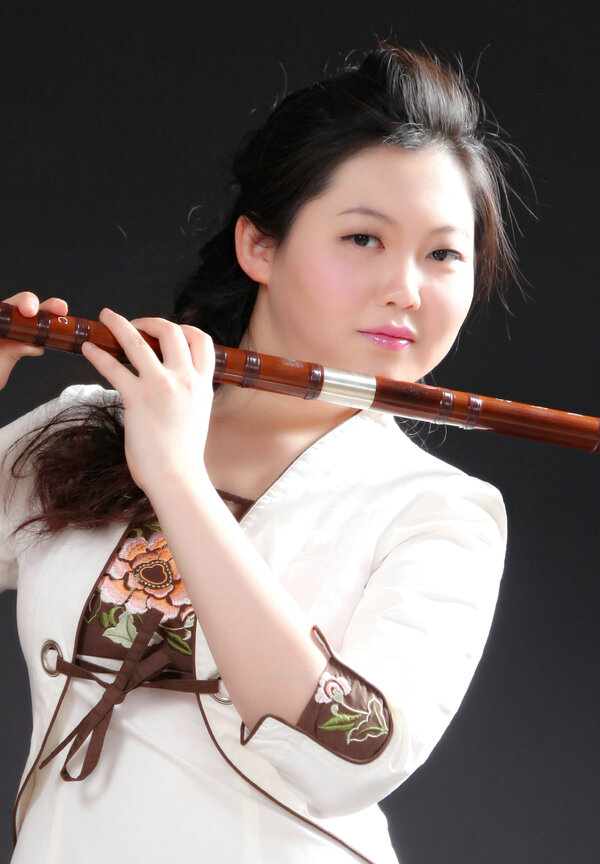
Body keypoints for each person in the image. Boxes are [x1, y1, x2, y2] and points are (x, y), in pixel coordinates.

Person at [0, 44, 519, 863]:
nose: (407, 289)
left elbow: (356, 754)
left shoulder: (440, 510)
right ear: (259, 247)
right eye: (363, 238)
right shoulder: (92, 424)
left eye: (443, 254)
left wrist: (177, 481)